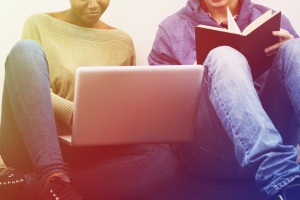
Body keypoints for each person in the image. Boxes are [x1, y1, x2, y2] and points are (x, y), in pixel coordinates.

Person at [0, 0, 177, 199]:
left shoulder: (122, 42)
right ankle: (52, 173)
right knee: (25, 50)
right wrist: (78, 114)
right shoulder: (38, 24)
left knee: (162, 160)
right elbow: (30, 91)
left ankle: (34, 184)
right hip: (31, 145)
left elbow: (122, 106)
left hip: (85, 150)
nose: (93, 5)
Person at [149, 0, 300, 199]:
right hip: (210, 151)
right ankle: (282, 179)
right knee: (222, 55)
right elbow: (158, 104)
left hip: (277, 137)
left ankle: (277, 168)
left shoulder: (272, 18)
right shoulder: (171, 29)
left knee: (296, 47)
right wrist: (193, 76)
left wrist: (287, 47)